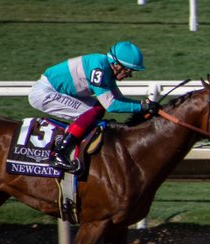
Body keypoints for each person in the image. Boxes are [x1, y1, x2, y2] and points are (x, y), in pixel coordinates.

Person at [28, 41, 155, 172]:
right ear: (117, 65)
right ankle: (59, 154)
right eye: (128, 71)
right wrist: (142, 107)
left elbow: (118, 99)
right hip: (45, 93)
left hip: (54, 90)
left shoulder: (106, 68)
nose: (130, 75)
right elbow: (111, 105)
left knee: (97, 109)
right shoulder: (99, 68)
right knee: (91, 112)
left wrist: (143, 105)